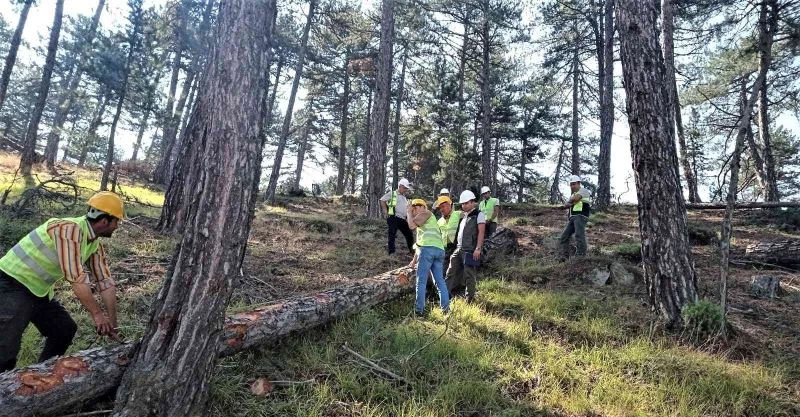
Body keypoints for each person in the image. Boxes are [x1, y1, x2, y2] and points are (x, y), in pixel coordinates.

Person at [0, 191, 124, 371]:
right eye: (116, 221)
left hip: (38, 290)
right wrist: (97, 314)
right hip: (11, 283)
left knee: (63, 329)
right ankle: (5, 390)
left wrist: (113, 323)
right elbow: (75, 277)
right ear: (105, 221)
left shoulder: (94, 243)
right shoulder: (70, 230)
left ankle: (42, 375)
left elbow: (105, 282)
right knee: (6, 346)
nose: (117, 226)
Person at [406, 199, 450, 316]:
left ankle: (419, 311)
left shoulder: (426, 213)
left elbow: (411, 225)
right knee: (439, 282)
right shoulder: (426, 221)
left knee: (421, 281)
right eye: (413, 208)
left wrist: (408, 212)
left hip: (428, 250)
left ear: (423, 207)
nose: (414, 210)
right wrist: (414, 260)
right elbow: (420, 243)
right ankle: (446, 310)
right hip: (438, 250)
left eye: (415, 207)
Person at [445, 190, 486, 303]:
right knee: (450, 272)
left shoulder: (479, 214)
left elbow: (481, 233)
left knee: (469, 275)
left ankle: (470, 300)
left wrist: (478, 248)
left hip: (470, 250)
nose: (464, 205)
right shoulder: (464, 216)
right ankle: (444, 296)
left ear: (473, 202)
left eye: (466, 203)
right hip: (459, 249)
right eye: (462, 204)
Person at [559, 175, 592, 260]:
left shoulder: (583, 191)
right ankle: (564, 257)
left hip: (581, 216)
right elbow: (568, 204)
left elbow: (575, 199)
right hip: (573, 218)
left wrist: (570, 202)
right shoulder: (573, 194)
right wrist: (569, 202)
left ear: (579, 183)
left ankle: (581, 256)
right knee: (564, 237)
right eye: (571, 184)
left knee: (579, 235)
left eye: (574, 184)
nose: (572, 186)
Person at [380, 178, 414, 255]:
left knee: (409, 234)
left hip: (402, 219)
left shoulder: (404, 197)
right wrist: (385, 211)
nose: (405, 190)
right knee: (392, 235)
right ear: (400, 186)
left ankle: (412, 251)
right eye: (404, 188)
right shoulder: (392, 193)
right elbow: (382, 200)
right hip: (393, 217)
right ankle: (391, 252)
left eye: (406, 188)